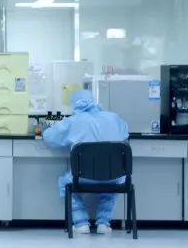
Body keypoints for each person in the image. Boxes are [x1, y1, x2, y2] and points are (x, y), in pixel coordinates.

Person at [42, 89, 129, 234]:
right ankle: (103, 223)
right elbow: (125, 133)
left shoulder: (73, 121)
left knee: (65, 183)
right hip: (113, 176)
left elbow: (49, 137)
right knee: (113, 180)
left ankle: (81, 223)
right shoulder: (114, 118)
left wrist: (46, 128)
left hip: (83, 177)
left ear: (75, 105)